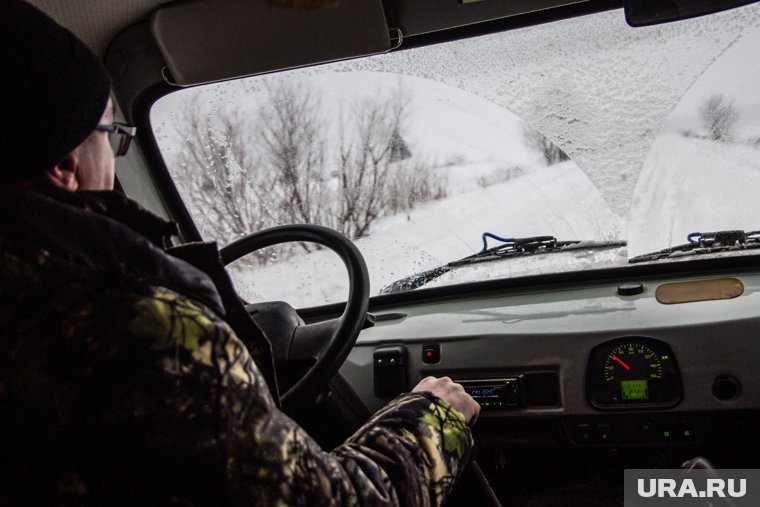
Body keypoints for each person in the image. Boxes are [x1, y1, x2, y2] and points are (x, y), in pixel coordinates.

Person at [0, 1, 480, 505]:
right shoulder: (136, 328)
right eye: (113, 135)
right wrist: (432, 416)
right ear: (64, 164)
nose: (115, 154)